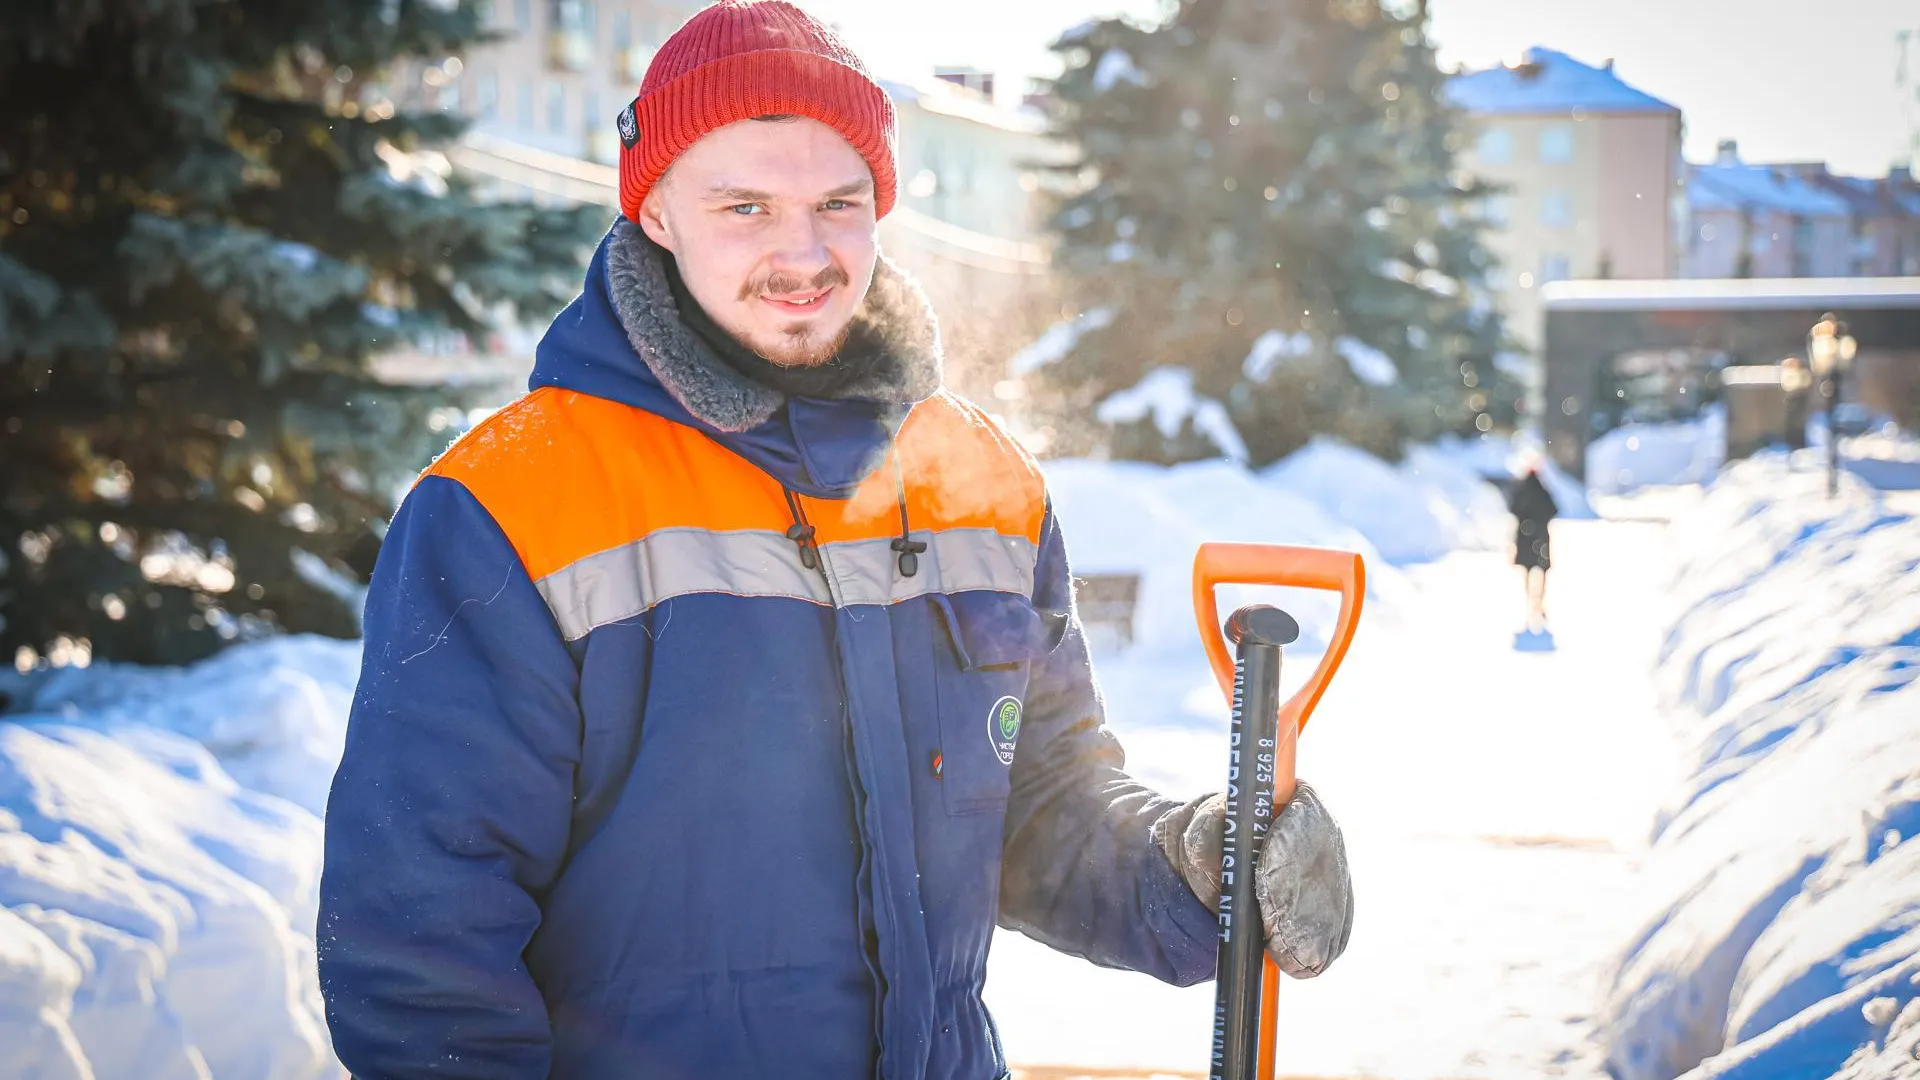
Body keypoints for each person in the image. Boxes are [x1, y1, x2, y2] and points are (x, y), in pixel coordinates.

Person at [316, 4, 1353, 1077]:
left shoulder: (984, 487)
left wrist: (1188, 875)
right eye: (745, 205)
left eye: (838, 202)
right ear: (657, 213)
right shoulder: (507, 508)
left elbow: (1039, 811)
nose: (801, 252)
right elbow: (419, 941)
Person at [1507, 456, 1560, 633]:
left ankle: (1531, 599)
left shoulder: (1522, 491)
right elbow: (1554, 510)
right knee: (1542, 571)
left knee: (1527, 572)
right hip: (1540, 540)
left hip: (1525, 539)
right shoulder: (1543, 491)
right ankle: (1539, 602)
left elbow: (1513, 509)